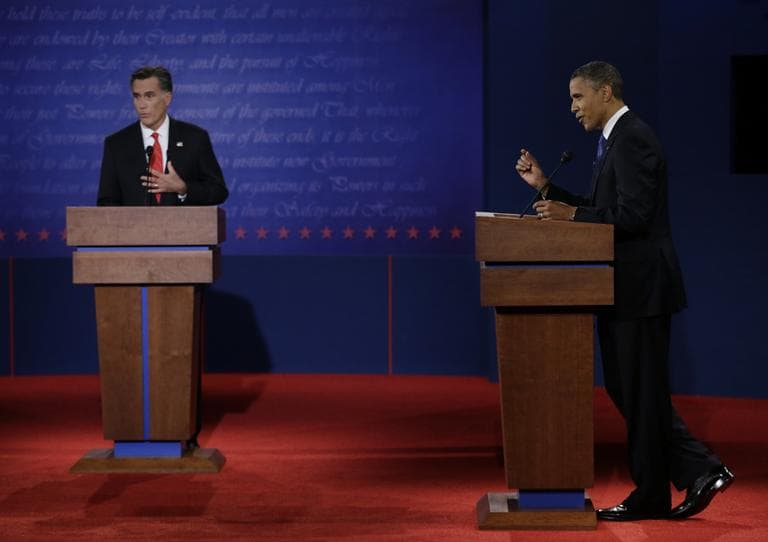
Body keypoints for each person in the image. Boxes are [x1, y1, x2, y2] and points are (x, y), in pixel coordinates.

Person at [515, 61, 733, 521]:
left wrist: (573, 216)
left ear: (606, 92)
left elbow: (633, 216)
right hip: (623, 289)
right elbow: (602, 210)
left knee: (641, 391)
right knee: (631, 390)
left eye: (578, 96)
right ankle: (678, 479)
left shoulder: (634, 138)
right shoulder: (614, 140)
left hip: (642, 289)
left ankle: (690, 473)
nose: (572, 107)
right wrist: (548, 188)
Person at [97, 65, 228, 206]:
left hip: (183, 221)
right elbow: (106, 202)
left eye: (149, 96)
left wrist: (183, 189)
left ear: (167, 98)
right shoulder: (116, 144)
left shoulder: (195, 138)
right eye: (137, 96)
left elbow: (218, 191)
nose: (141, 105)